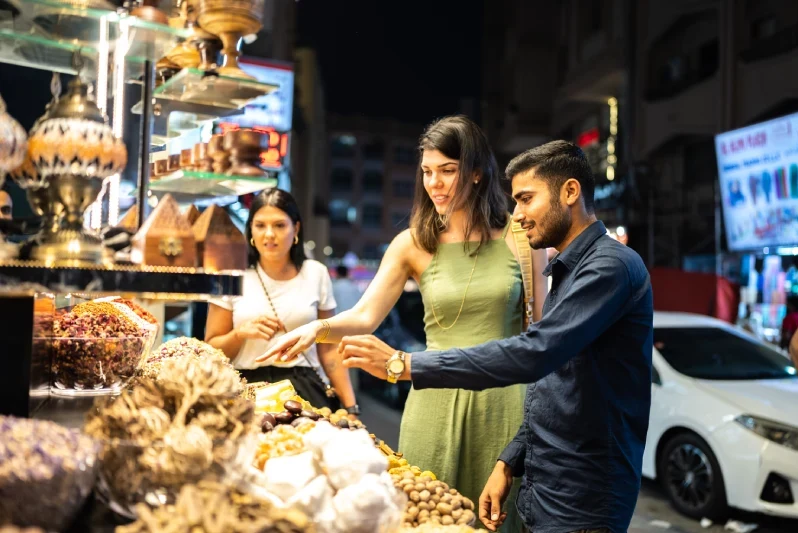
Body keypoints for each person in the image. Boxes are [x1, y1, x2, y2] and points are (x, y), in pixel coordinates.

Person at [334, 141, 654, 533]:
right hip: (545, 482)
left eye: (526, 199)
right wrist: (510, 461)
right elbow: (553, 382)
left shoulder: (610, 267)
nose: (517, 215)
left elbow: (534, 353)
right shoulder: (568, 269)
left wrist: (406, 364)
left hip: (585, 495)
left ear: (570, 192)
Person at [260, 115, 548, 532]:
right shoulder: (412, 243)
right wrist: (314, 329)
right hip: (433, 401)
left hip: (504, 404)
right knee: (426, 514)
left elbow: (541, 334)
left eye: (448, 171)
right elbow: (365, 315)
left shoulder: (519, 239)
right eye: (428, 172)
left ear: (477, 173)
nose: (435, 183)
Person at [205, 188, 357, 412]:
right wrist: (240, 334)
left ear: (295, 228)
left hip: (303, 388)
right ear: (250, 231)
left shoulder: (316, 273)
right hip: (245, 390)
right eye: (260, 225)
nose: (269, 234)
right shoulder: (231, 275)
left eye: (279, 225)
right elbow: (211, 349)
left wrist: (351, 406)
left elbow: (329, 349)